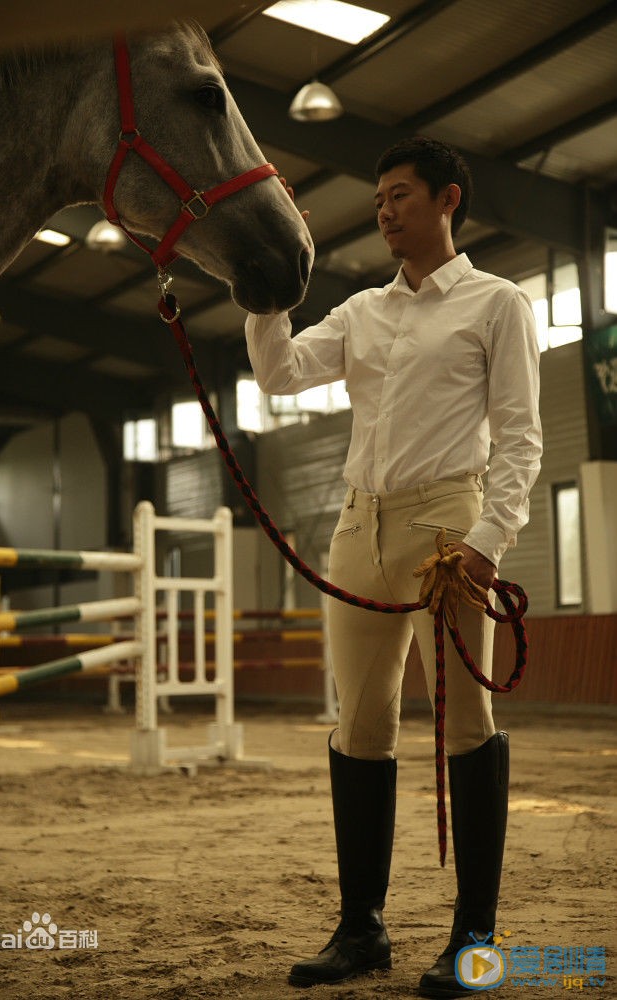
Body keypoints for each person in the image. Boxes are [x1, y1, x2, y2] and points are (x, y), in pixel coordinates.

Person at [244, 136, 542, 997]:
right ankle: (360, 929)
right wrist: (268, 285)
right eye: (378, 198)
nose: (383, 210)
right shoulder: (362, 312)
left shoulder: (497, 304)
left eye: (400, 195)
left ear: (447, 200)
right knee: (358, 728)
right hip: (356, 526)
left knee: (466, 721)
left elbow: (519, 437)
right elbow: (279, 374)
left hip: (447, 524)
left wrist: (489, 539)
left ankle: (472, 941)